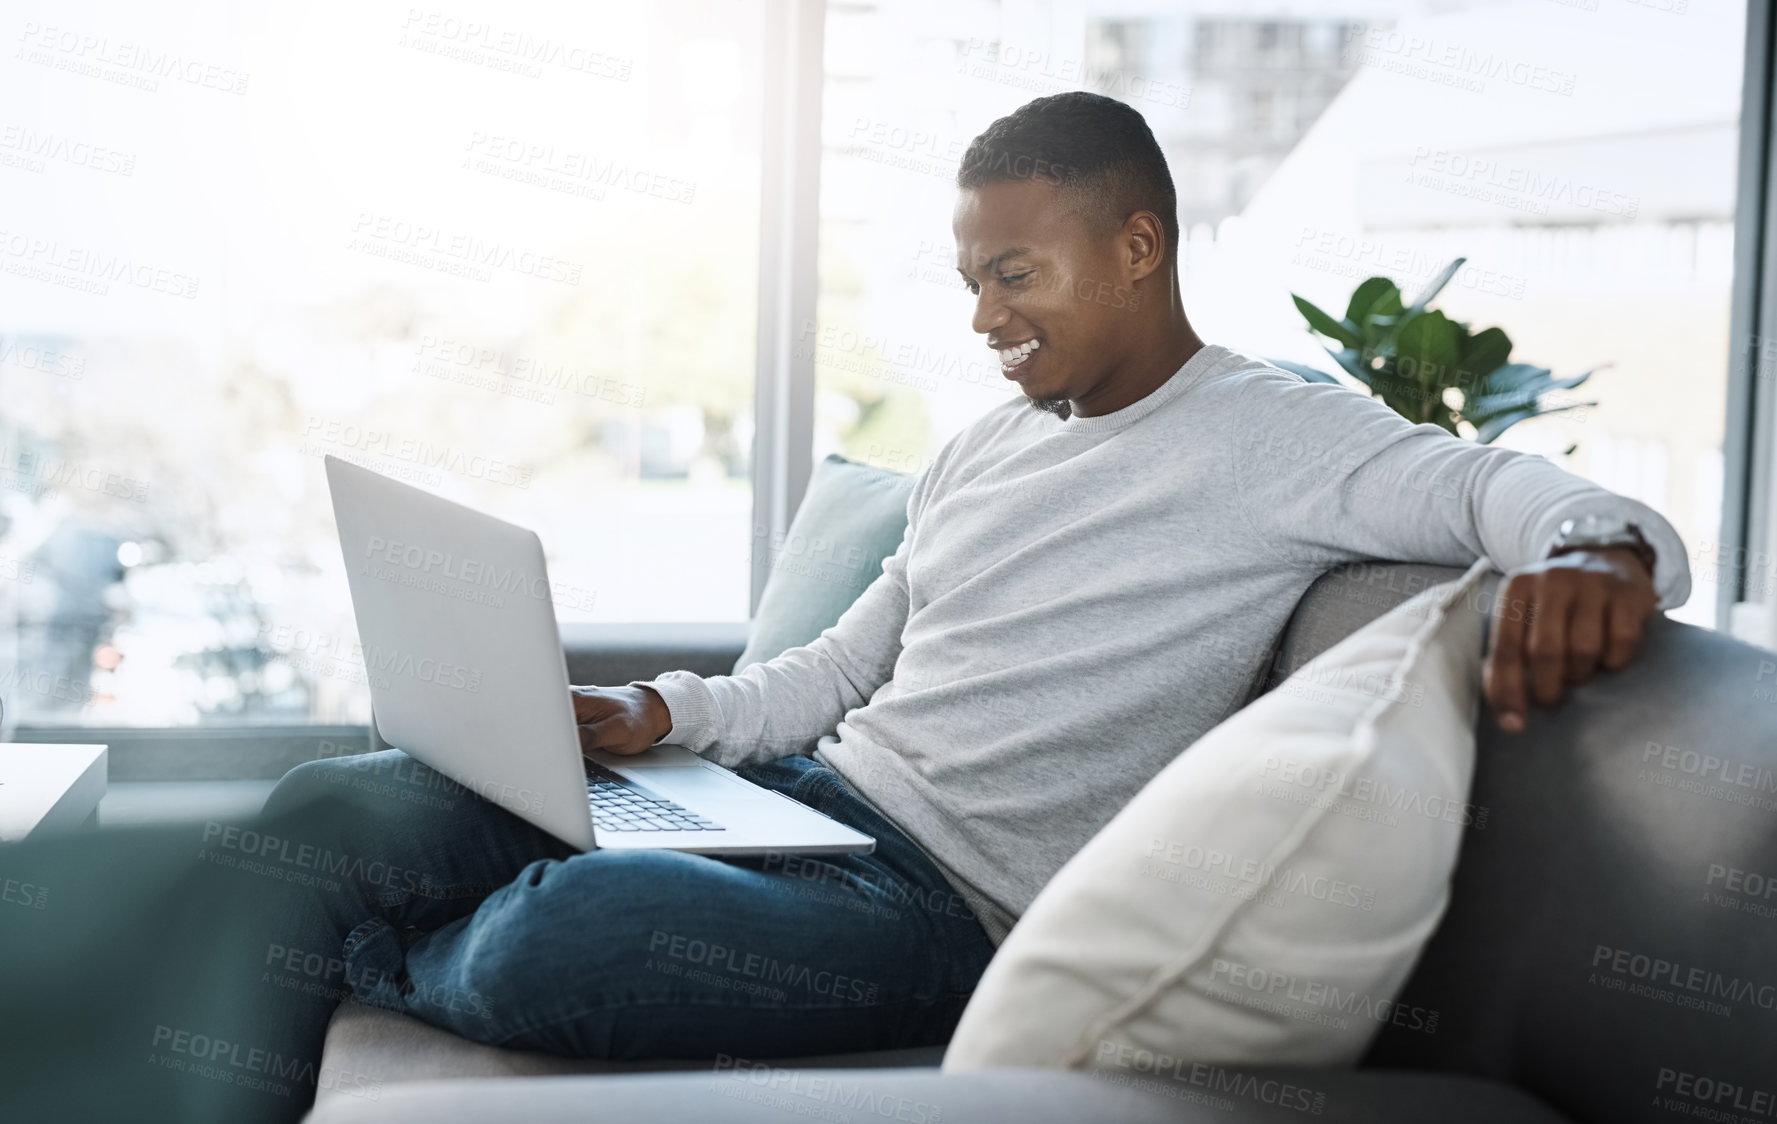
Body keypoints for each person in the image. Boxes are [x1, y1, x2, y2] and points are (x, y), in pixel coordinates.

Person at [0, 91, 1688, 1123]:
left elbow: (1500, 492)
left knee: (555, 942)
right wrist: (656, 721)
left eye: (1012, 276)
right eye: (966, 279)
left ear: (1137, 246)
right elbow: (832, 670)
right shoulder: (980, 447)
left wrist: (1595, 555)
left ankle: (447, 928)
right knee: (333, 802)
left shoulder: (1280, 433)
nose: (983, 318)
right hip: (802, 806)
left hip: (940, 912)